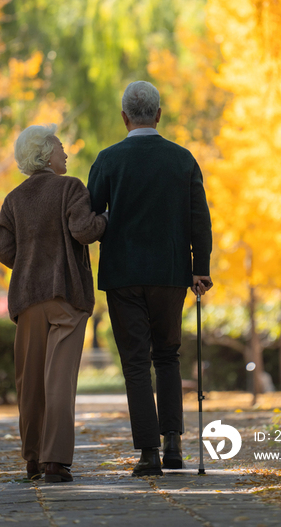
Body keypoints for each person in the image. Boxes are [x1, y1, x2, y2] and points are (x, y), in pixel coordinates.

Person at [88, 81, 212, 476]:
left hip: (123, 275)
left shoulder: (107, 161)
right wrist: (201, 268)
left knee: (136, 363)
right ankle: (173, 444)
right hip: (171, 273)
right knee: (168, 357)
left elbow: (90, 217)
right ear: (158, 114)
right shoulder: (182, 160)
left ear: (124, 117)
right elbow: (199, 218)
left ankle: (148, 453)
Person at [0, 124, 106, 483]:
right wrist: (106, 218)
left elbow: (4, 249)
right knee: (58, 379)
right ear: (45, 152)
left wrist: (29, 262)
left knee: (29, 381)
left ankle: (31, 459)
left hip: (26, 299)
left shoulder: (13, 199)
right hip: (66, 297)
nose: (65, 151)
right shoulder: (70, 188)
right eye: (59, 145)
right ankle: (55, 461)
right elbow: (84, 231)